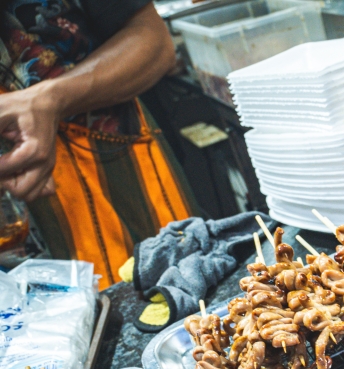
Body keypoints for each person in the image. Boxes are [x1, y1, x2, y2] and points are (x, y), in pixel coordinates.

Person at [0, 0, 197, 286]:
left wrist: (50, 98)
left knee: (177, 290)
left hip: (113, 172)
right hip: (13, 238)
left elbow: (154, 42)